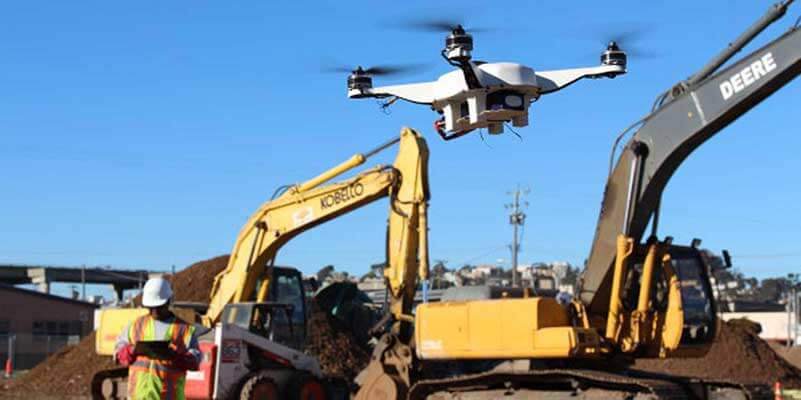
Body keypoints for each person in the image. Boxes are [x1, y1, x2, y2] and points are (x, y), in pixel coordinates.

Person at [115, 277, 200, 400]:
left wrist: (175, 356)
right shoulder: (136, 326)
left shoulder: (184, 330)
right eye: (150, 307)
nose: (154, 311)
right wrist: (132, 351)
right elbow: (118, 353)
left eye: (158, 307)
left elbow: (195, 361)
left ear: (168, 302)